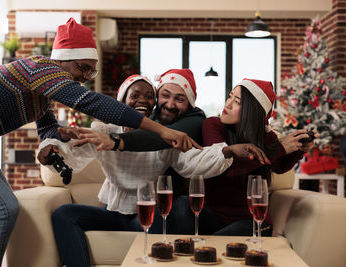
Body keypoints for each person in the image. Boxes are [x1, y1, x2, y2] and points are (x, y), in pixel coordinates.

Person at [0, 18, 194, 267]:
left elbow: (47, 129)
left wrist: (60, 134)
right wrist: (162, 130)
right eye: (83, 68)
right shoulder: (39, 69)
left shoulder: (42, 92)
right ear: (61, 60)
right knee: (4, 208)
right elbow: (93, 103)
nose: (85, 77)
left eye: (91, 71)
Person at [38, 75, 270, 267]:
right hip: (114, 212)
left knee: (172, 216)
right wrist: (50, 151)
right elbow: (73, 153)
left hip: (148, 215)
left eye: (149, 97)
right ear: (122, 101)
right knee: (63, 214)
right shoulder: (102, 130)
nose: (143, 100)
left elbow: (194, 163)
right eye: (135, 95)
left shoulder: (163, 138)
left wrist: (227, 151)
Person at [169, 78, 317, 236]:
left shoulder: (267, 137)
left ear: (252, 111)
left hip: (251, 220)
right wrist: (278, 148)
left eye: (237, 101)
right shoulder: (213, 125)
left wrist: (297, 149)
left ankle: (203, 248)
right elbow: (227, 167)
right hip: (211, 215)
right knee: (182, 204)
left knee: (219, 243)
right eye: (230, 96)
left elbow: (279, 166)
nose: (228, 104)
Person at [72, 69, 208, 196]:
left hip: (184, 195)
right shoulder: (152, 117)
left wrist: (114, 141)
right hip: (156, 195)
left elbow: (158, 137)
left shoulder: (195, 119)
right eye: (165, 96)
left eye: (179, 99)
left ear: (189, 103)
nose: (170, 104)